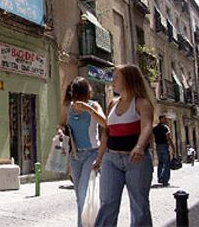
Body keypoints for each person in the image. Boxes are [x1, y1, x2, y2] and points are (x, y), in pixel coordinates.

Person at [94, 64, 154, 227]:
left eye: (116, 77)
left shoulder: (142, 103)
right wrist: (99, 158)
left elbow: (147, 126)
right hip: (111, 159)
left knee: (139, 205)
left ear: (128, 79)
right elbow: (107, 133)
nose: (112, 81)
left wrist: (139, 147)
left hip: (136, 161)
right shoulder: (112, 104)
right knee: (107, 203)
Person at [58, 76, 106, 227]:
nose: (76, 97)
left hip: (92, 153)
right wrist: (60, 132)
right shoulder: (67, 107)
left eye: (78, 93)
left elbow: (105, 123)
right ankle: (87, 223)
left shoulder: (94, 105)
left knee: (83, 192)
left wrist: (88, 109)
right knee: (79, 195)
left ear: (85, 92)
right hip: (75, 156)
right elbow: (61, 124)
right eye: (74, 93)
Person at [153, 114, 175, 186]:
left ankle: (160, 177)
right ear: (161, 119)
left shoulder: (155, 128)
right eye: (165, 119)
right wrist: (172, 146)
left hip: (157, 146)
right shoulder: (166, 128)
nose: (166, 120)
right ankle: (165, 180)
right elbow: (168, 137)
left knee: (160, 162)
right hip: (164, 146)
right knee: (166, 163)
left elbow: (151, 137)